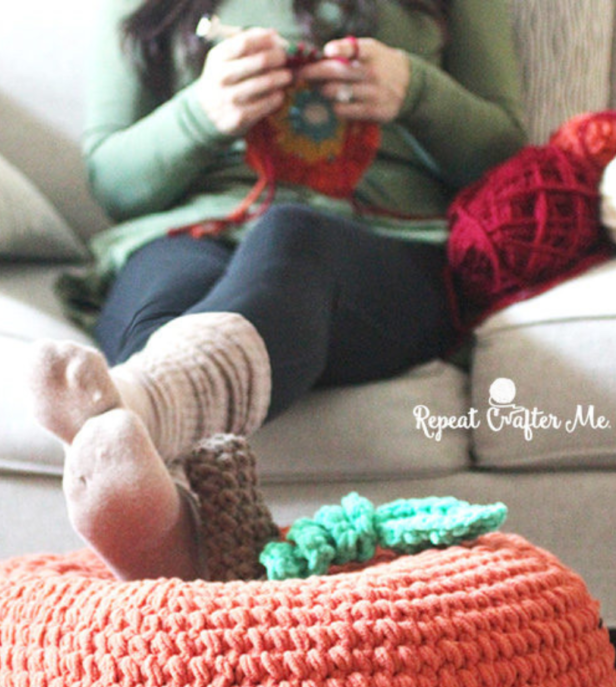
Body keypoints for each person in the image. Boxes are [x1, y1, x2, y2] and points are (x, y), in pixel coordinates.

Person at [30, 0, 526, 581]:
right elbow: (113, 182)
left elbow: (505, 157)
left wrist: (415, 91)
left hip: (377, 249)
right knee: (161, 297)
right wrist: (200, 113)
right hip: (190, 231)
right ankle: (162, 524)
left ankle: (145, 412)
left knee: (290, 238)